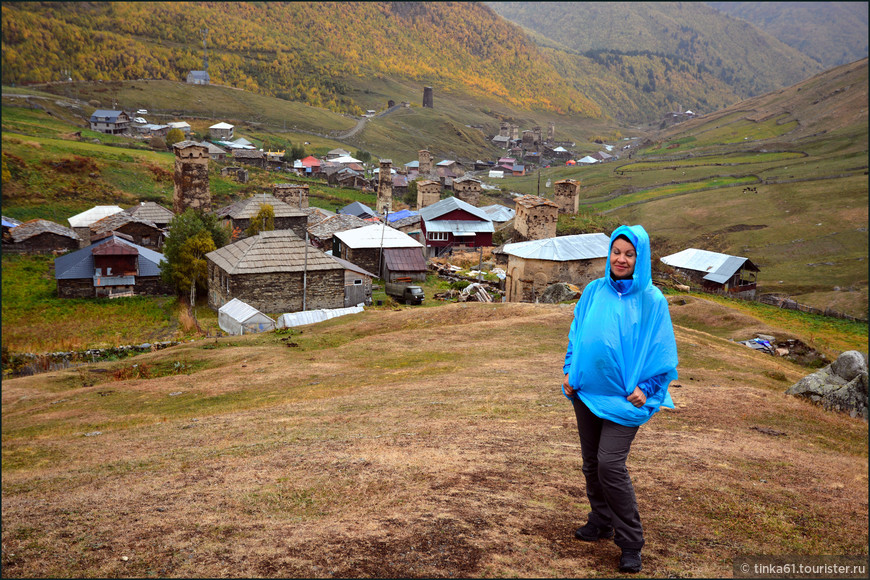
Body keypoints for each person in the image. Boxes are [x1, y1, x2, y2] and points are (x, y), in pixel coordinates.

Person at [562, 224, 678, 574]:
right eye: (617, 251)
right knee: (591, 464)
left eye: (629, 254)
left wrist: (650, 386)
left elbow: (662, 350)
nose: (621, 259)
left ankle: (630, 542)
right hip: (586, 392)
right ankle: (600, 520)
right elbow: (577, 333)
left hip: (625, 400)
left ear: (640, 259)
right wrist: (569, 370)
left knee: (610, 465)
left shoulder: (652, 300)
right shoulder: (594, 290)